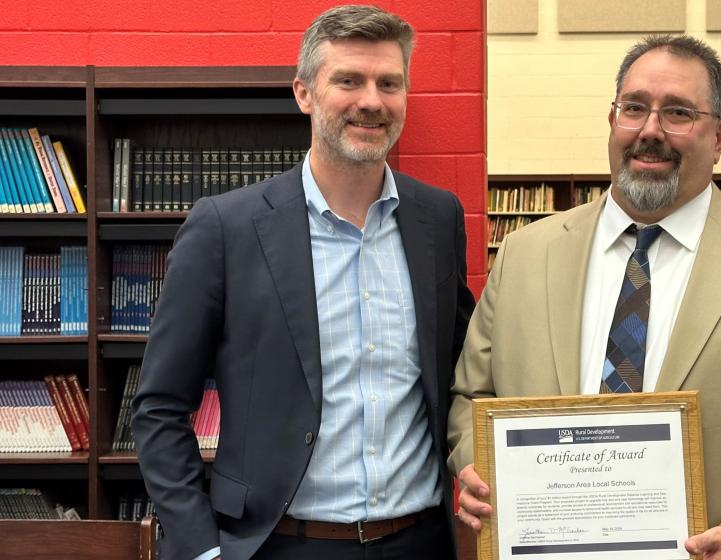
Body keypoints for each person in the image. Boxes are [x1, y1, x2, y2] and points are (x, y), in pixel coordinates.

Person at [447, 35, 721, 560]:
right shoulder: (525, 255)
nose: (650, 131)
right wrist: (480, 463)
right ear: (612, 120)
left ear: (720, 136)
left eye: (678, 112)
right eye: (634, 108)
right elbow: (473, 396)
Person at [132, 5, 475, 560]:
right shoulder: (226, 227)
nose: (371, 100)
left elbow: (462, 375)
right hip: (280, 544)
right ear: (304, 93)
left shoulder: (438, 218)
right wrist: (201, 548)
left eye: (390, 83)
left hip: (422, 542)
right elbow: (159, 408)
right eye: (348, 80)